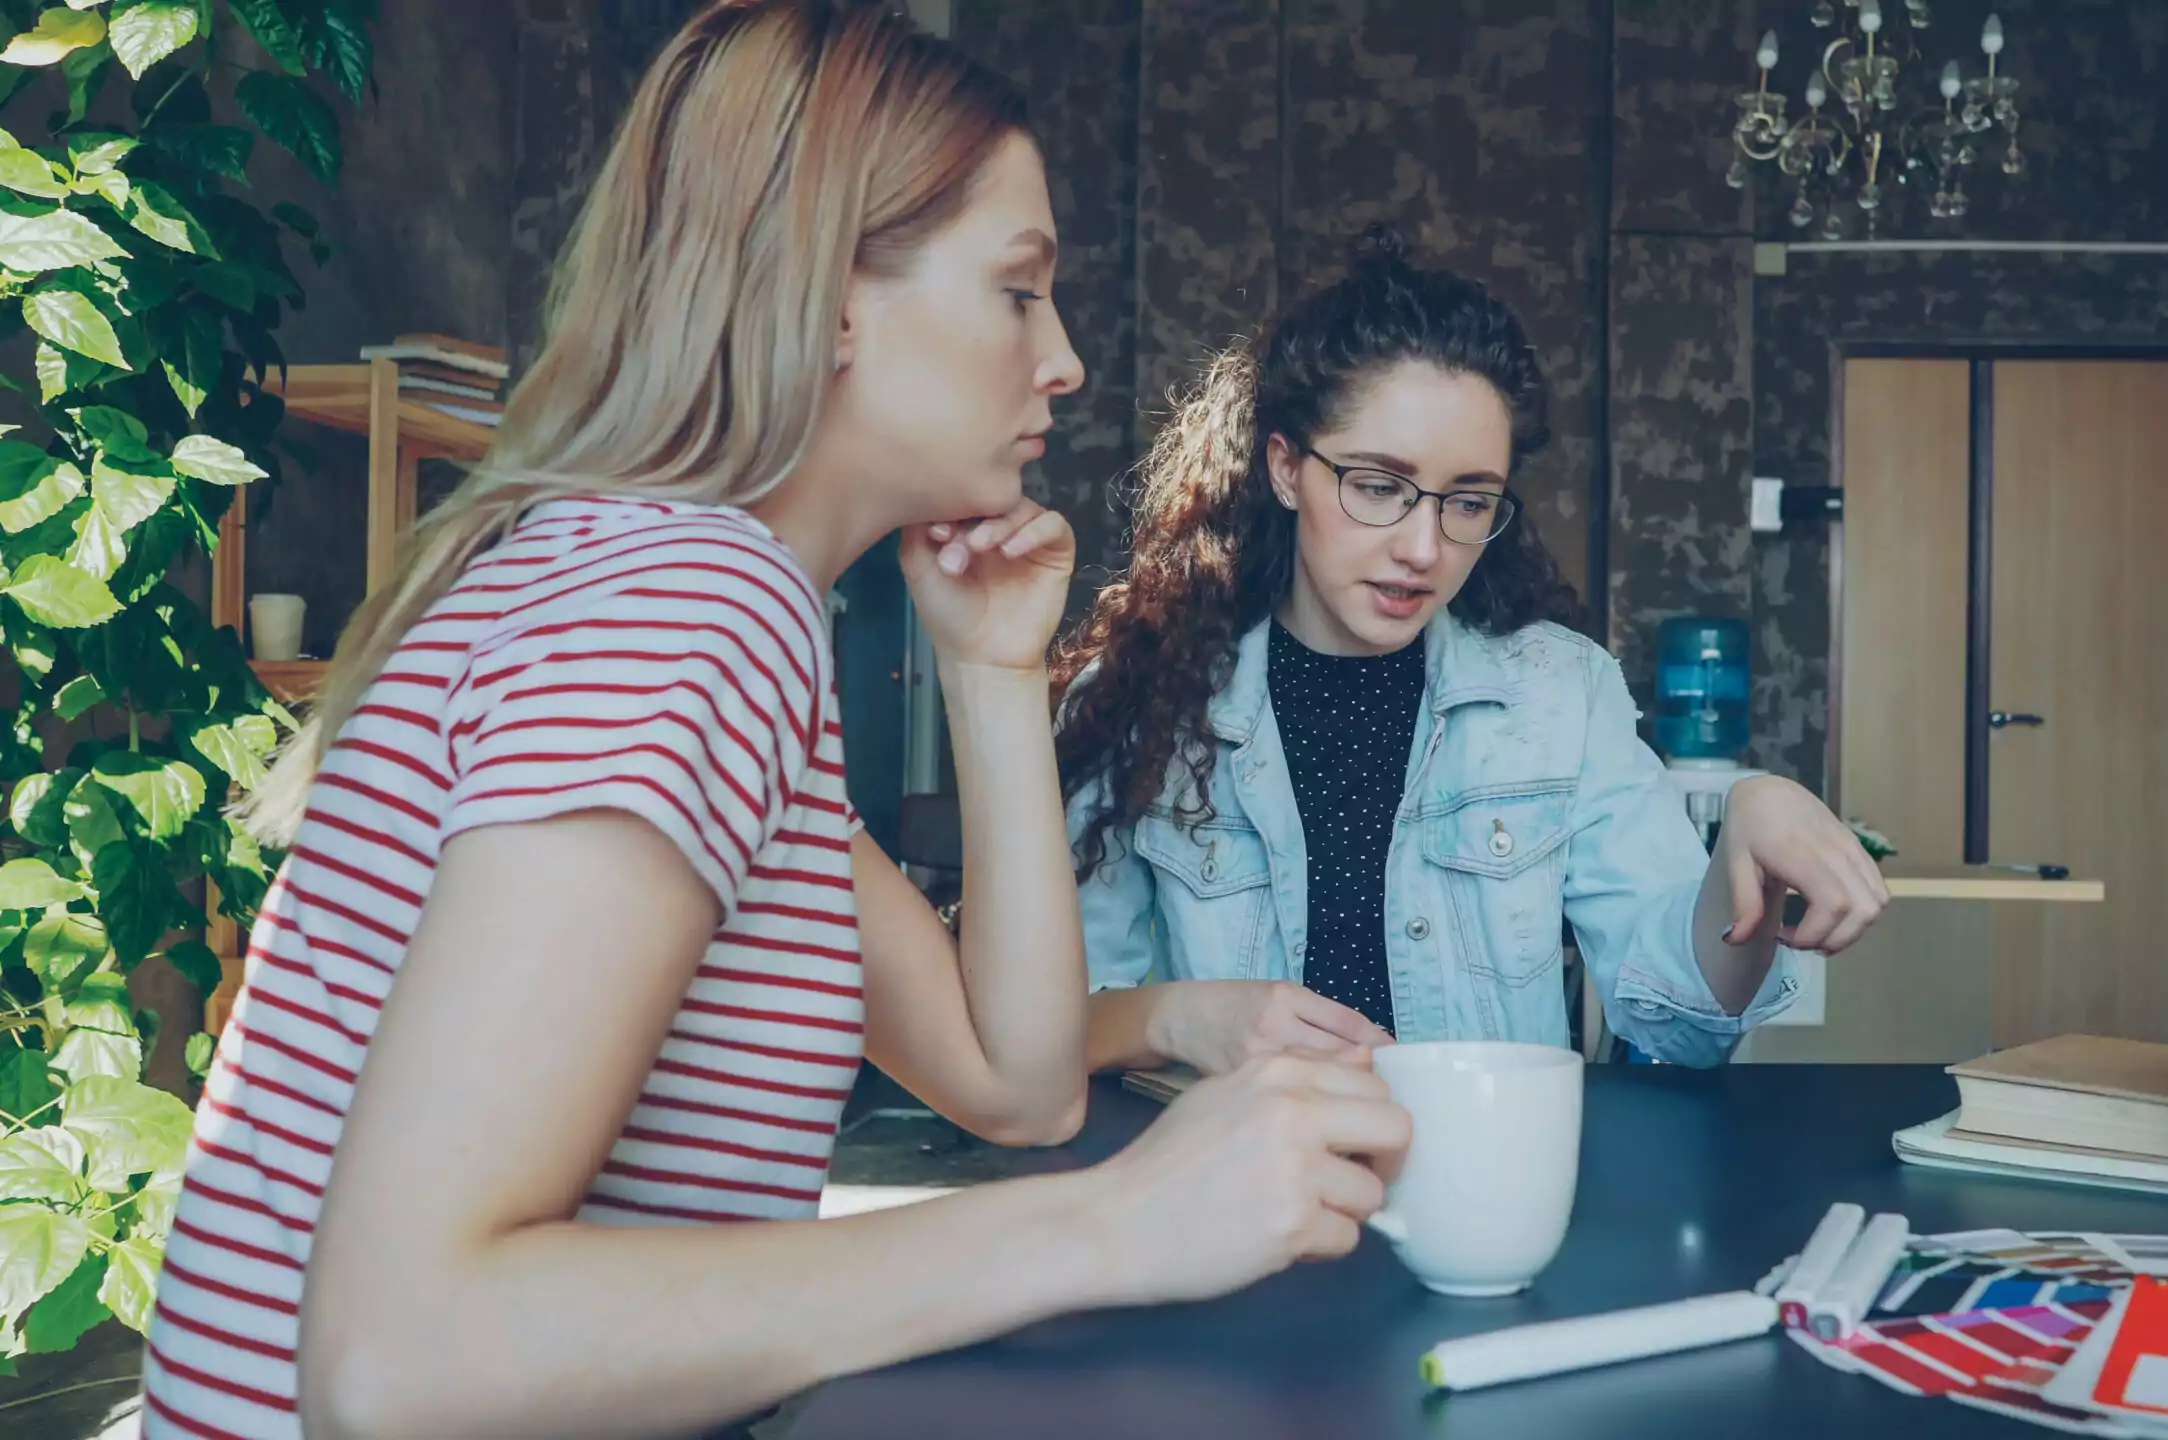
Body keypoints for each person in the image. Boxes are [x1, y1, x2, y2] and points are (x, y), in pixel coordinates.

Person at [142, 6, 1407, 1437]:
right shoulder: (688, 607)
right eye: (1017, 291)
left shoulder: (682, 595)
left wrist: (993, 676)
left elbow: (1020, 1079)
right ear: (835, 299)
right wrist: (1114, 1228)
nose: (1061, 360)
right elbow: (398, 1364)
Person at [1058, 227, 1890, 1078]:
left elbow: (1682, 1027)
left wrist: (1745, 843)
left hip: (1489, 1194)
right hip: (1238, 1195)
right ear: (1284, 468)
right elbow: (1041, 1038)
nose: (1424, 546)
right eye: (1378, 487)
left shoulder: (1563, 696)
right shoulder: (1145, 700)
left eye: (1468, 501)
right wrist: (1177, 1017)